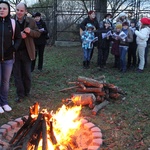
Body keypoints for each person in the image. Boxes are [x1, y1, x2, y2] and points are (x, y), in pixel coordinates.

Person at [13, 2, 41, 102]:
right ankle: (20, 94)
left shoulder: (31, 21)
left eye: (21, 11)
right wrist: (18, 35)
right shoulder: (11, 21)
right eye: (17, 10)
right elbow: (7, 35)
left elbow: (38, 34)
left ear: (25, 11)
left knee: (27, 74)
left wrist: (30, 32)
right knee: (17, 74)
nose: (19, 12)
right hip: (15, 52)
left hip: (27, 51)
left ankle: (27, 92)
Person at [0, 1, 21, 113]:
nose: (2, 10)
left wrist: (14, 48)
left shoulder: (12, 23)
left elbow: (18, 38)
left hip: (8, 58)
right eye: (0, 8)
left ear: (8, 10)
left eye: (4, 8)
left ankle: (4, 102)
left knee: (5, 81)